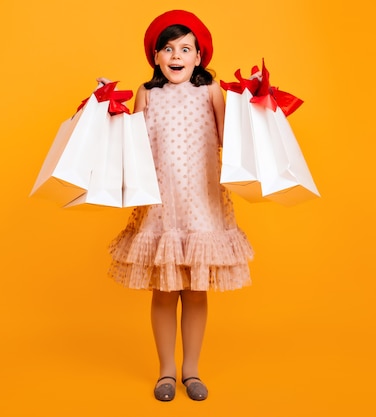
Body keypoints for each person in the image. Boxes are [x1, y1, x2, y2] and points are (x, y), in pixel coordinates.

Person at [105, 10, 254, 401]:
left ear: (199, 56)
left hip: (202, 205)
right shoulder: (147, 93)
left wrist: (253, 103)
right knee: (164, 291)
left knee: (196, 290)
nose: (176, 55)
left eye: (185, 49)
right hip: (162, 208)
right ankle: (166, 372)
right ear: (156, 56)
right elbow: (130, 146)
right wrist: (106, 110)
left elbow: (232, 139)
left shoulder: (211, 92)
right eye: (168, 48)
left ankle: (192, 371)